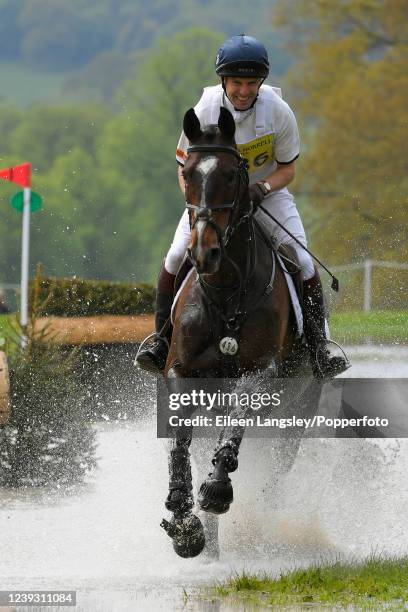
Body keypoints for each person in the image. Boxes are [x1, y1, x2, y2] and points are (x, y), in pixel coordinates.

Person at [136, 34, 347, 378]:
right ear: (224, 80)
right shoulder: (204, 110)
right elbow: (184, 168)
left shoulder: (278, 113)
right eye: (237, 83)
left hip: (267, 194)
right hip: (213, 201)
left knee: (304, 261)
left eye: (252, 83)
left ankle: (319, 345)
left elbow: (288, 168)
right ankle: (160, 342)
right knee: (176, 256)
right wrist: (200, 203)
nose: (244, 91)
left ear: (261, 83)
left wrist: (262, 187)